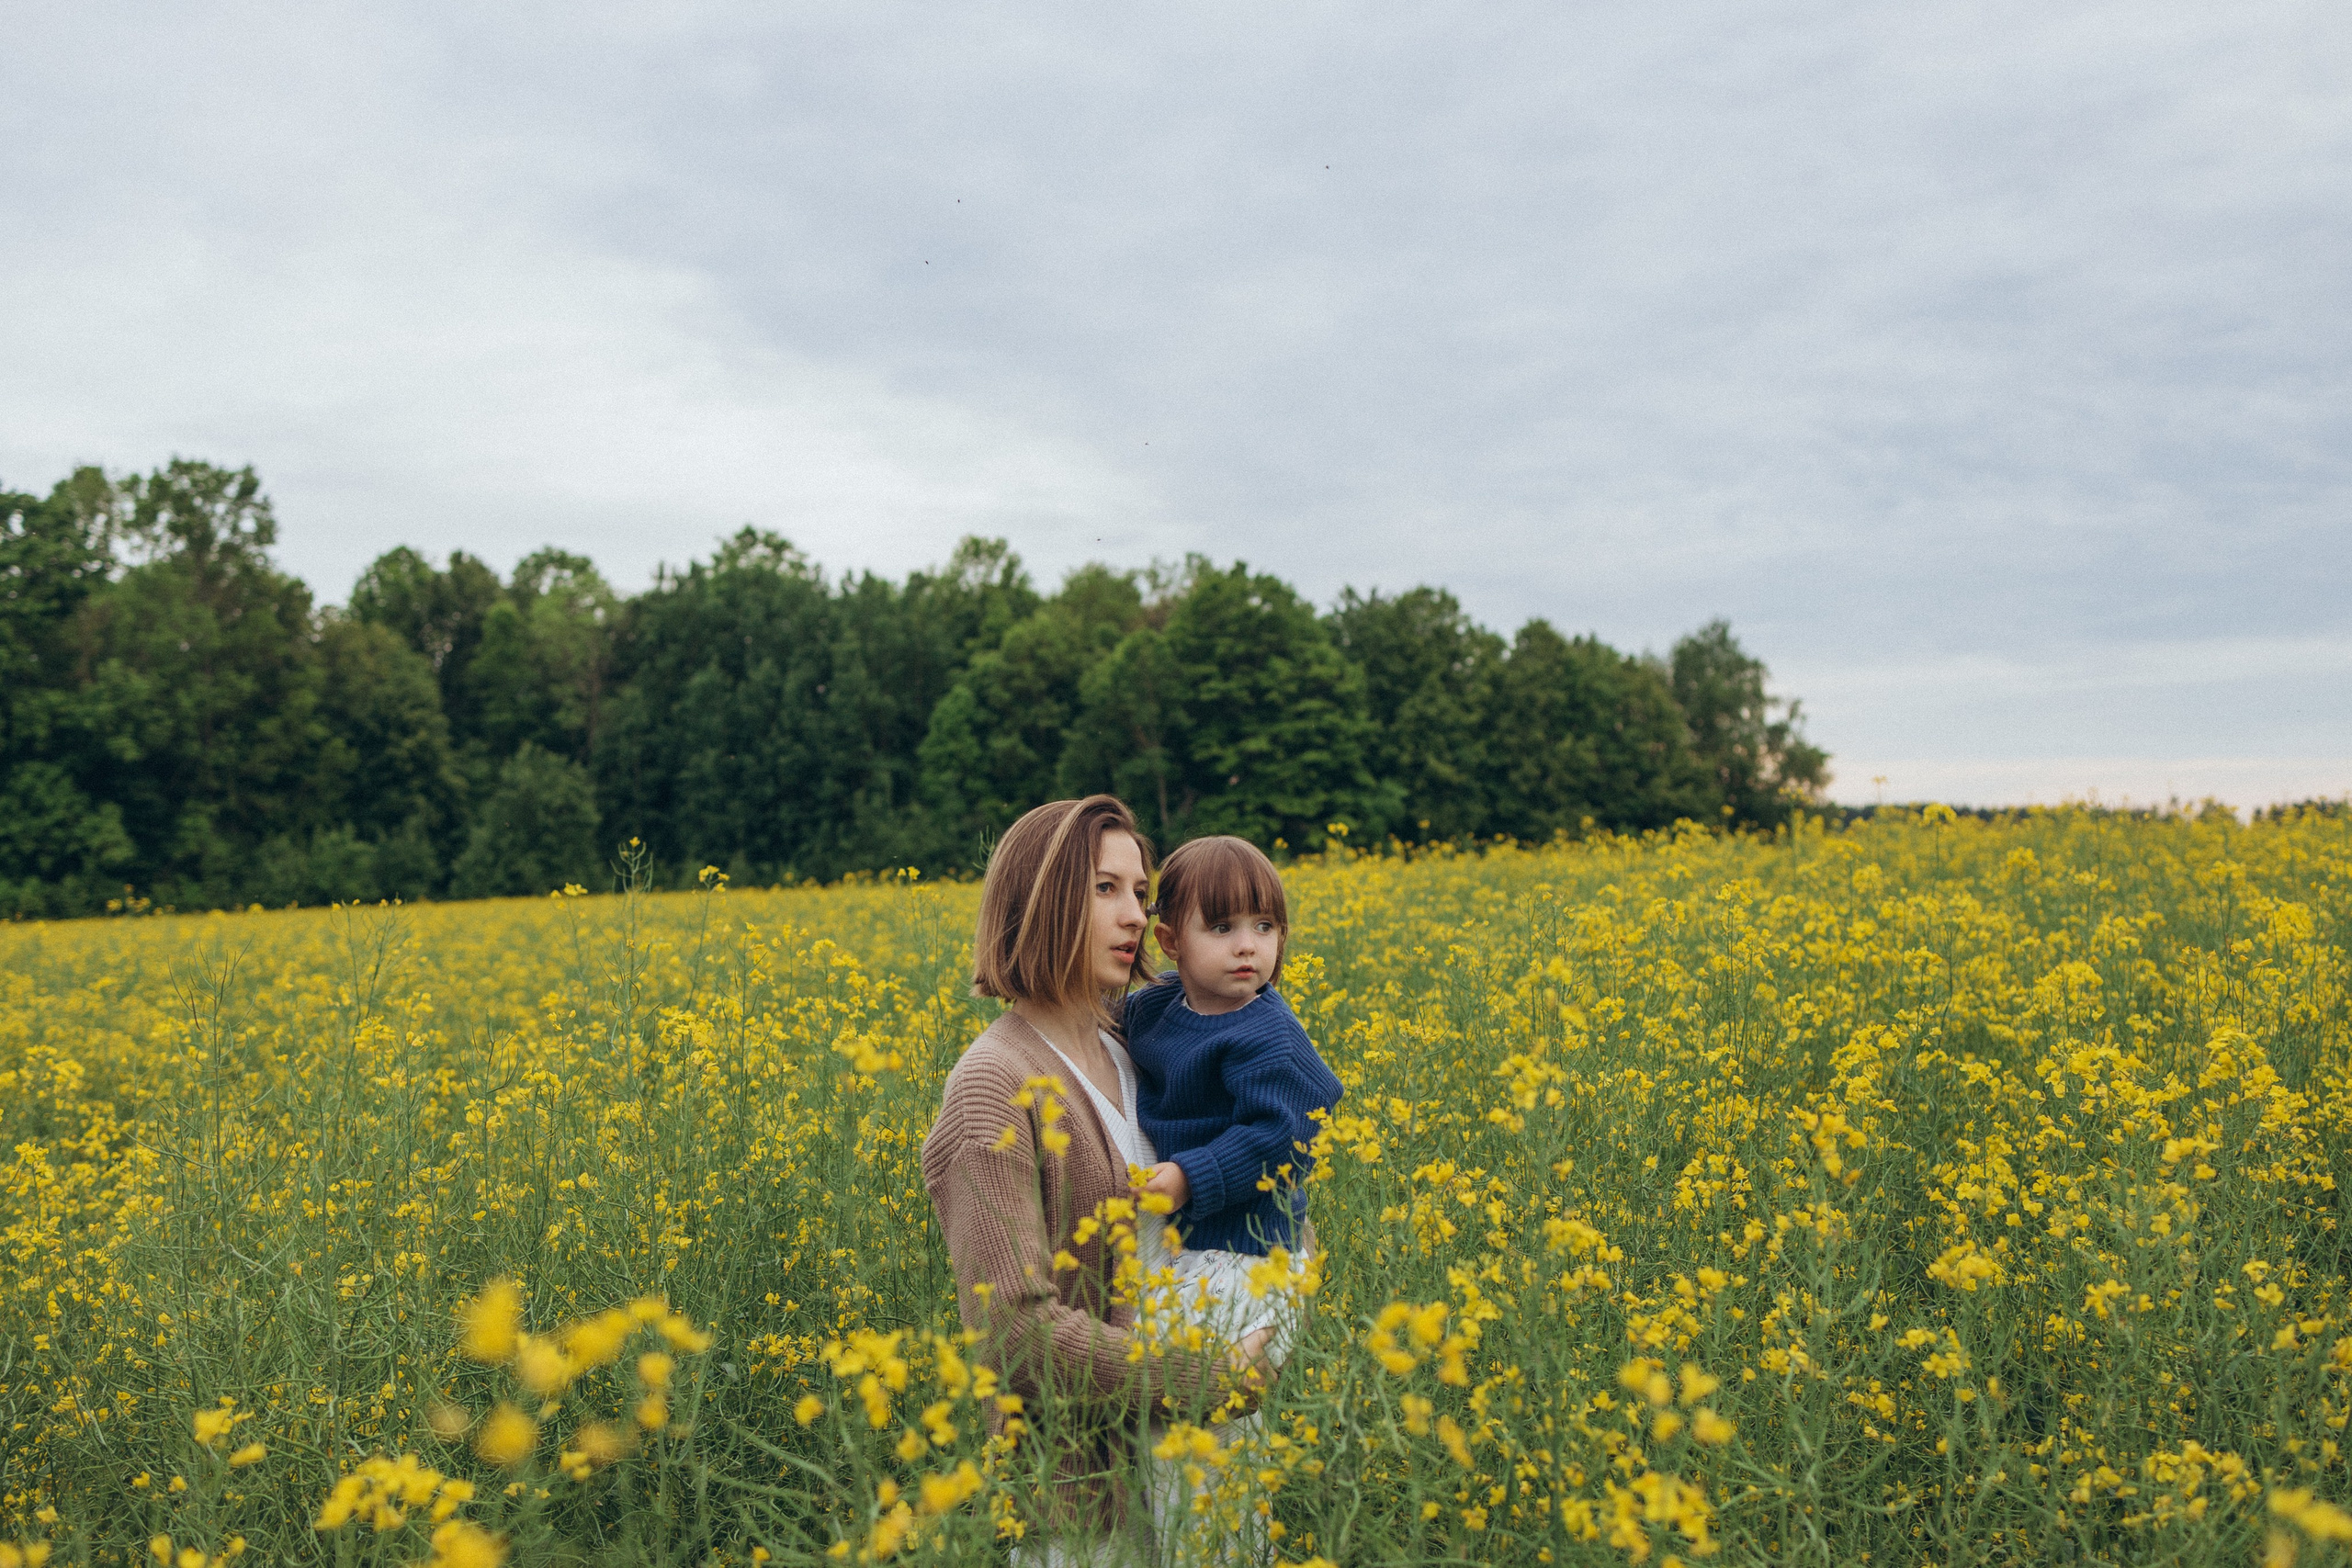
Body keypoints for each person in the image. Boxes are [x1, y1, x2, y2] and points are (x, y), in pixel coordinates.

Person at [922, 796, 1269, 1567]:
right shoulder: (994, 1083)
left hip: (1200, 1469)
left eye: (1141, 893)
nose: (1137, 916)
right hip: (1086, 1504)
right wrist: (1210, 1377)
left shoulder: (1140, 1045)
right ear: (1040, 899)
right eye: (1105, 889)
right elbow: (1015, 1337)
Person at [1125, 834, 1342, 1363]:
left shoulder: (1270, 1034)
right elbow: (1098, 1026)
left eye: (1264, 927)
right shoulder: (1155, 1007)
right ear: (1172, 941)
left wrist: (1191, 1176)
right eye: (1222, 928)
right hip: (1189, 1242)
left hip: (1251, 1248)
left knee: (1211, 1394)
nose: (1248, 946)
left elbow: (1287, 1134)